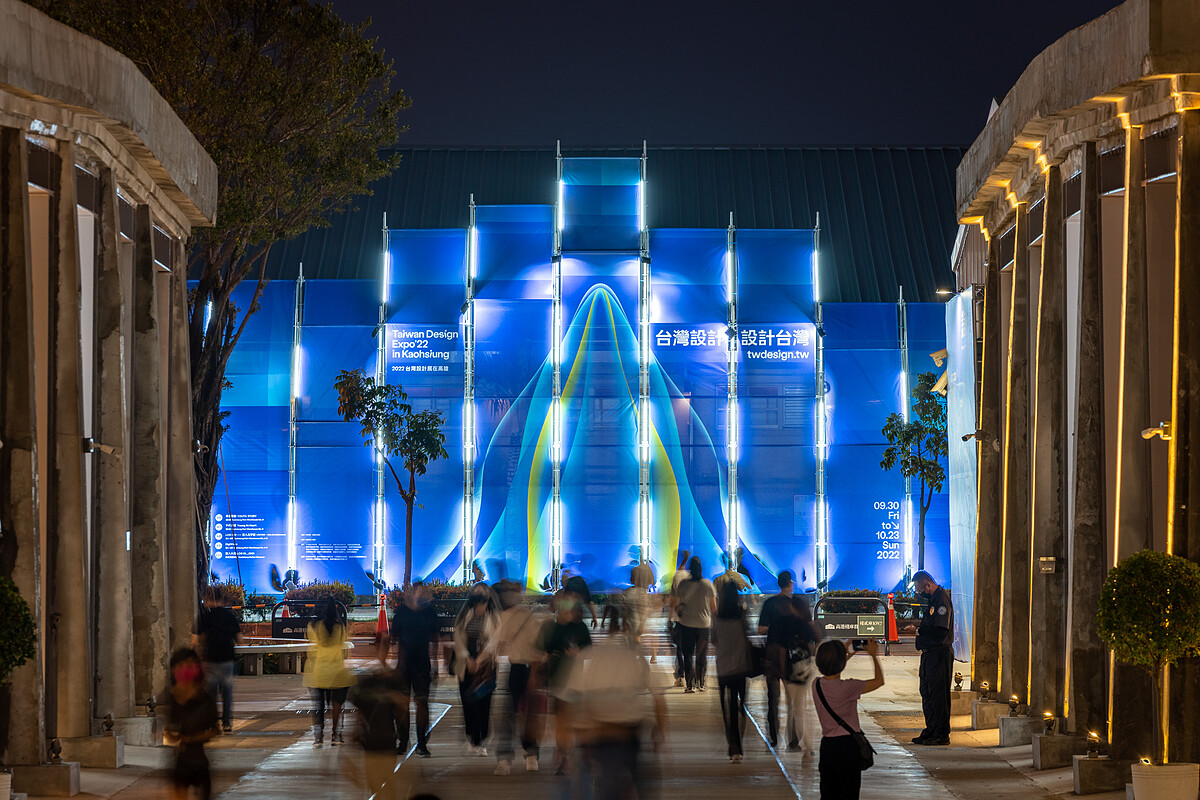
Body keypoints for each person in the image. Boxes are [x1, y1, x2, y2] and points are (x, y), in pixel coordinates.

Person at [568, 604, 667, 800]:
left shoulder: (590, 657)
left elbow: (574, 698)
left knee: (607, 785)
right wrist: (659, 731)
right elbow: (659, 697)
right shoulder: (635, 657)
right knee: (637, 781)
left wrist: (578, 732)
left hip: (601, 732)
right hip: (630, 731)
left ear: (604, 627)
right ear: (626, 628)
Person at [812, 639, 884, 800]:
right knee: (849, 793)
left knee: (828, 794)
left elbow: (832, 669)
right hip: (847, 747)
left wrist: (846, 654)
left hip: (827, 746)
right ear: (841, 663)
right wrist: (873, 655)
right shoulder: (849, 687)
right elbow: (879, 681)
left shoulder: (816, 685)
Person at [492, 580, 546, 775]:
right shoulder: (529, 617)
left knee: (510, 715)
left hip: (519, 669)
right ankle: (530, 756)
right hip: (526, 669)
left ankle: (507, 760)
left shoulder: (509, 617)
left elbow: (498, 646)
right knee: (527, 715)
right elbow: (538, 650)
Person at [540, 590, 592, 774]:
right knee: (561, 719)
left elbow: (589, 648)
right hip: (558, 678)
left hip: (575, 678)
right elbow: (546, 646)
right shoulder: (555, 626)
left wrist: (578, 651)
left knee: (573, 719)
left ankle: (574, 753)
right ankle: (563, 755)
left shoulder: (580, 627)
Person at [349, 634, 406, 799]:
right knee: (374, 783)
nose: (383, 650)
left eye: (386, 646)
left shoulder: (394, 679)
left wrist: (398, 701)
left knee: (387, 781)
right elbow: (359, 710)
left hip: (387, 737)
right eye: (381, 646)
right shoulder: (369, 680)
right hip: (372, 738)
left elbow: (402, 710)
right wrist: (355, 731)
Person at [163, 648, 219, 800]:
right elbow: (170, 728)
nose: (185, 670)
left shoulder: (205, 698)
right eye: (180, 666)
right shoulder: (171, 697)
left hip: (200, 763)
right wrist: (171, 735)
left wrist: (192, 738)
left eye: (189, 666)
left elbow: (214, 730)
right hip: (181, 764)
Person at [768, 594, 821, 753]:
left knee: (793, 707)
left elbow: (782, 650)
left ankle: (794, 741)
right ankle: (804, 743)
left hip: (789, 671)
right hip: (804, 670)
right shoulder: (805, 624)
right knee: (801, 707)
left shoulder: (783, 622)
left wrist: (783, 671)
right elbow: (816, 641)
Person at [393, 582, 439, 757]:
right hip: (404, 666)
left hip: (422, 665)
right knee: (402, 705)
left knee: (422, 704)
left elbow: (435, 638)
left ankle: (422, 742)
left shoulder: (430, 612)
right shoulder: (402, 613)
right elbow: (394, 636)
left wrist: (435, 662)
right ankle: (403, 741)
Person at [453, 587, 500, 755]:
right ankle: (472, 737)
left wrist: (479, 661)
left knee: (484, 703)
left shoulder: (494, 617)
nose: (480, 606)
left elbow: (494, 641)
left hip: (485, 667)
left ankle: (482, 739)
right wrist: (468, 659)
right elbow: (458, 638)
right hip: (466, 664)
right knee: (467, 702)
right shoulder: (465, 615)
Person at [304, 598, 355, 747]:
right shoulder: (340, 626)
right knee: (337, 704)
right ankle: (336, 735)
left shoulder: (313, 625)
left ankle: (318, 737)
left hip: (319, 670)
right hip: (337, 670)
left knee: (318, 705)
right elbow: (342, 644)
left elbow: (312, 645)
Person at [912, 570, 954, 745]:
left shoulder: (941, 600)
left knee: (938, 695)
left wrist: (919, 630)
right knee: (927, 692)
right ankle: (931, 730)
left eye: (920, 589)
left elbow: (941, 629)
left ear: (927, 585)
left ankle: (941, 733)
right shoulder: (933, 600)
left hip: (939, 653)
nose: (919, 593)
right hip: (929, 653)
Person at [193, 588, 242, 734]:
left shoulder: (206, 617)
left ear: (210, 600)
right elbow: (239, 639)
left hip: (210, 660)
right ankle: (227, 724)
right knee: (227, 694)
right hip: (227, 660)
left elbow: (198, 639)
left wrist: (199, 655)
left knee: (211, 695)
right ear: (223, 600)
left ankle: (212, 723)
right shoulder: (230, 616)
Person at [710, 580, 750, 761]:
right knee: (740, 707)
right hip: (741, 666)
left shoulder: (717, 617)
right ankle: (738, 746)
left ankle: (732, 746)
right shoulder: (742, 615)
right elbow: (747, 634)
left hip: (724, 668)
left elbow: (713, 640)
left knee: (728, 707)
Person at [758, 570, 795, 748]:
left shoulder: (769, 603)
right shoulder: (794, 604)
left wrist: (774, 627)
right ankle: (793, 738)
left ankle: (774, 736)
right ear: (790, 584)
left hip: (772, 653)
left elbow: (761, 629)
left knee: (773, 697)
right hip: (790, 654)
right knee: (792, 698)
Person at [670, 556, 716, 693]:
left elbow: (675, 604)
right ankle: (701, 683)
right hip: (704, 625)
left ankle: (690, 685)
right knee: (701, 655)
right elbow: (713, 607)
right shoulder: (707, 584)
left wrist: (680, 612)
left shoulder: (683, 584)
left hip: (686, 624)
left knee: (688, 654)